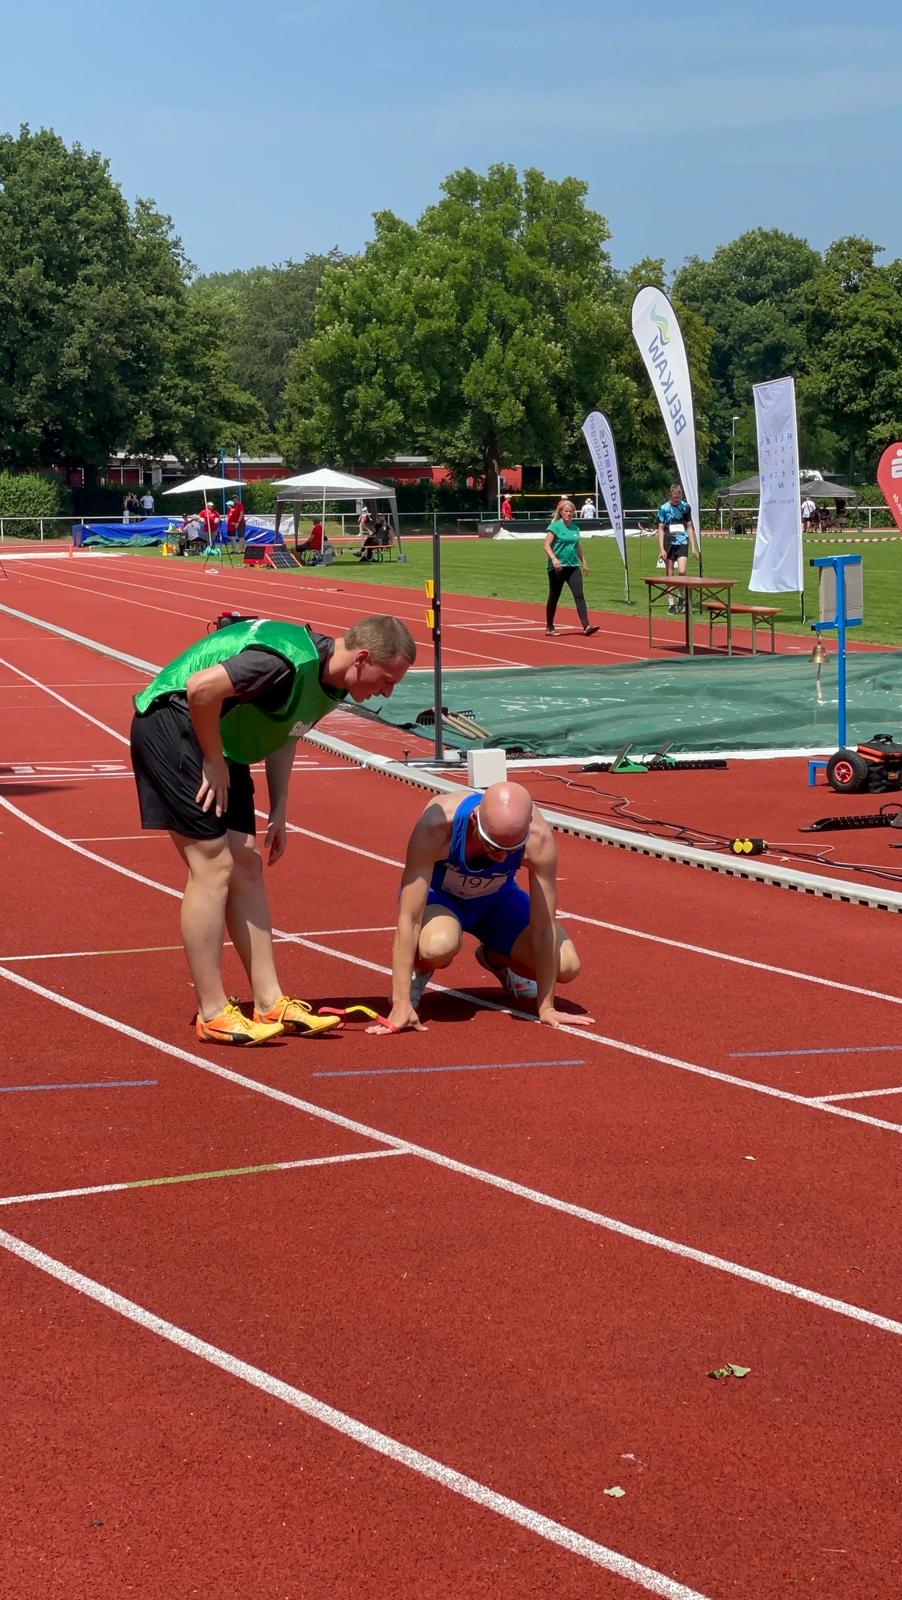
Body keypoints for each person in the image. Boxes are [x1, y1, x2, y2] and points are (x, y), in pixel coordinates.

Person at [130, 614, 417, 1046]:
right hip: (175, 722)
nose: (388, 691)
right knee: (213, 864)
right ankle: (211, 1012)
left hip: (220, 735)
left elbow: (287, 729)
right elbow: (200, 689)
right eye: (387, 679)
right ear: (361, 658)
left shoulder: (333, 679)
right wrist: (212, 759)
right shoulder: (282, 663)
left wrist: (279, 807)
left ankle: (269, 1000)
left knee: (246, 862)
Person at [373, 782, 592, 1035]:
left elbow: (544, 927)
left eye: (509, 850)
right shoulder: (438, 825)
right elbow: (409, 919)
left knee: (566, 966)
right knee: (438, 945)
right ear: (475, 819)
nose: (500, 858)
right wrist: (400, 1004)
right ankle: (420, 968)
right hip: (441, 899)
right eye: (492, 846)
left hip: (496, 904)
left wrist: (547, 1007)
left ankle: (497, 957)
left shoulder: (538, 838)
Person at [543, 499, 599, 636]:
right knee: (554, 596)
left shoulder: (575, 528)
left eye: (571, 512)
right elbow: (546, 545)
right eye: (566, 511)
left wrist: (583, 561)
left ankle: (586, 626)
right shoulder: (555, 527)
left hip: (573, 566)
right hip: (558, 568)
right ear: (561, 512)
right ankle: (549, 626)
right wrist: (554, 559)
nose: (568, 514)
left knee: (579, 595)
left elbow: (577, 545)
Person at [656, 483, 699, 613]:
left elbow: (690, 527)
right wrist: (661, 549)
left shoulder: (685, 507)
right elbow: (660, 529)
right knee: (670, 575)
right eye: (675, 497)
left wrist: (693, 546)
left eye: (679, 497)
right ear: (670, 495)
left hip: (682, 541)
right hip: (668, 543)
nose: (677, 499)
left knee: (681, 571)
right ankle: (671, 604)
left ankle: (680, 598)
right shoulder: (663, 508)